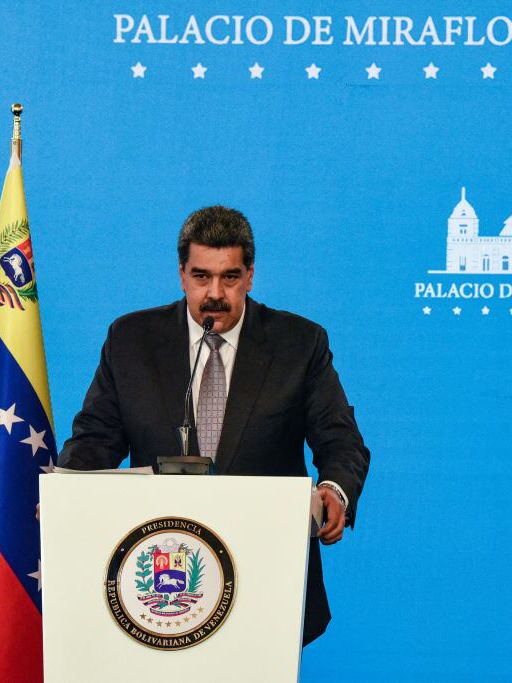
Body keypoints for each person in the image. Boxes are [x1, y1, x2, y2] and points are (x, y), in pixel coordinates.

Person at [59, 205, 370, 645]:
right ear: (182, 275)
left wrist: (334, 491)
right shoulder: (131, 340)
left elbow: (340, 439)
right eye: (201, 277)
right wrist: (66, 492)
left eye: (230, 277)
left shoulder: (299, 343)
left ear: (250, 276)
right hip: (157, 582)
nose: (215, 294)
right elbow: (95, 439)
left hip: (267, 575)